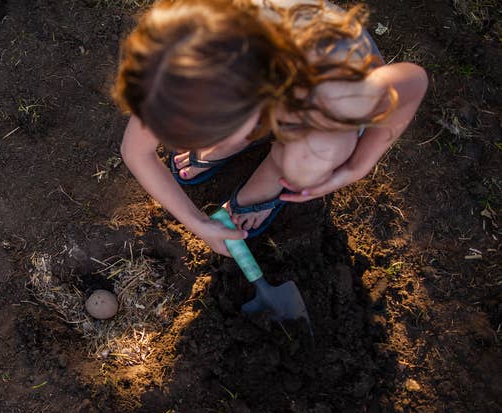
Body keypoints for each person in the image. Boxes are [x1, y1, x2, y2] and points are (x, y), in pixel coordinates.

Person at [113, 0, 428, 256]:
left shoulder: (334, 94)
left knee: (311, 159)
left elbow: (414, 81)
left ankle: (273, 173)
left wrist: (359, 165)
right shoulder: (180, 58)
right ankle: (231, 145)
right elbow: (135, 151)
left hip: (323, 85)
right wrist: (198, 223)